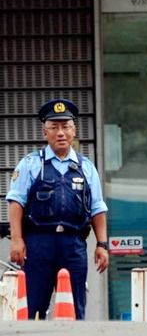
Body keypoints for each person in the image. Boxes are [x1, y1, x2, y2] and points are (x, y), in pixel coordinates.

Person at [6, 98, 109, 320]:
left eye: (65, 127)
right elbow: (16, 203)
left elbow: (98, 208)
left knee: (75, 307)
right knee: (33, 307)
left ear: (74, 130)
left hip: (73, 245)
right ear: (45, 132)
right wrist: (17, 240)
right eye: (54, 127)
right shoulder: (30, 164)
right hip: (37, 244)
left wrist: (102, 244)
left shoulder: (87, 168)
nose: (60, 133)